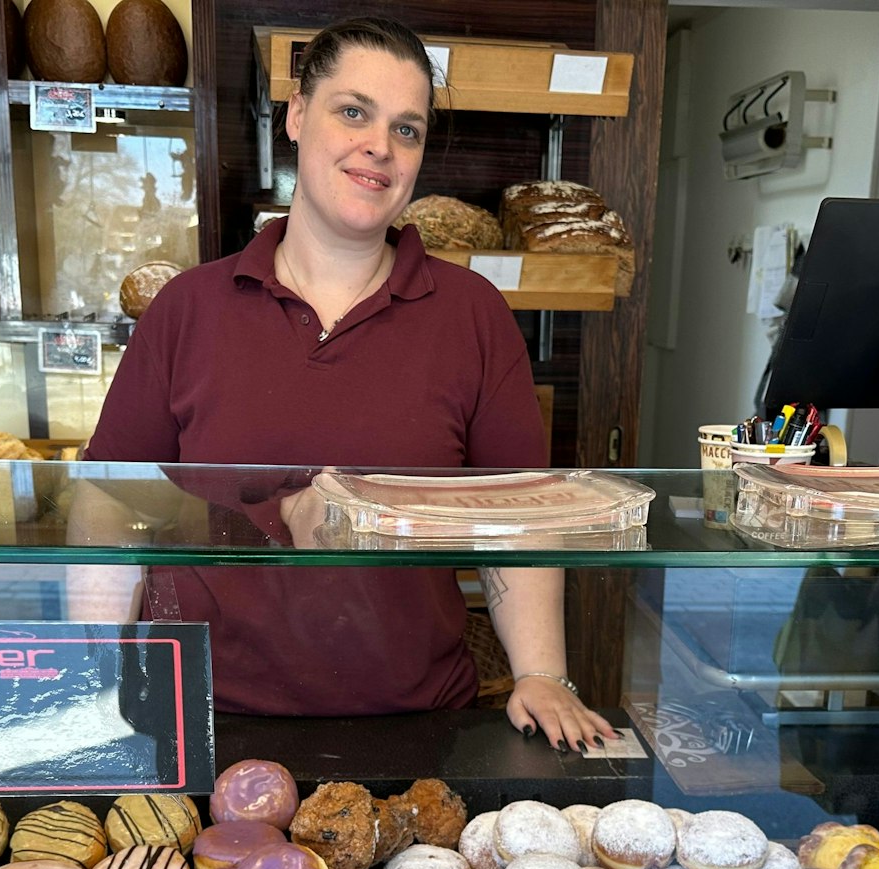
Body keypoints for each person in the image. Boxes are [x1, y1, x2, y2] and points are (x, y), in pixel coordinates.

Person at [72, 16, 616, 753]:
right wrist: (96, 672)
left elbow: (517, 512)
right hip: (202, 718)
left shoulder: (472, 317)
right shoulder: (188, 309)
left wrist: (544, 672)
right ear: (297, 115)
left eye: (408, 129)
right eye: (353, 111)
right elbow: (111, 493)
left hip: (415, 728)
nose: (380, 148)